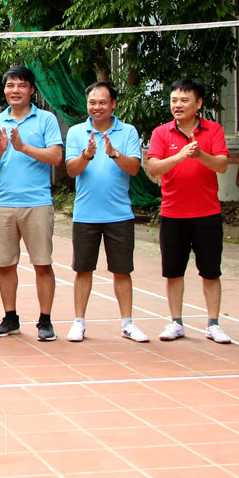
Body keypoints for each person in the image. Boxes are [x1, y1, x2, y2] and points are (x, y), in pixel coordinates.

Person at [0, 65, 64, 342]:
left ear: (31, 89)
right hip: (3, 203)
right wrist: (1, 149)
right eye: (10, 86)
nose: (15, 90)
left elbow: (56, 157)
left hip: (37, 203)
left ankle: (45, 320)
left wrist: (23, 147)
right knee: (6, 264)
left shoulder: (47, 120)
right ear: (4, 90)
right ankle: (10, 318)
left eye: (21, 85)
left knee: (42, 263)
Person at [145, 78, 232, 344]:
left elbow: (221, 165)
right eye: (174, 100)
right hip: (173, 214)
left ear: (199, 103)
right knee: (173, 271)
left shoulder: (213, 129)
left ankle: (213, 324)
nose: (178, 105)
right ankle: (176, 322)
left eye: (184, 100)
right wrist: (181, 155)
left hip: (207, 213)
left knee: (210, 271)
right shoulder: (161, 132)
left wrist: (199, 155)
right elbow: (154, 169)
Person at [63, 82, 148, 343]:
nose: (97, 107)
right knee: (83, 269)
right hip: (86, 215)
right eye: (92, 102)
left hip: (119, 214)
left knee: (122, 271)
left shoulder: (128, 131)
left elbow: (134, 169)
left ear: (113, 104)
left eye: (102, 102)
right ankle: (79, 322)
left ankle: (127, 323)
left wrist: (113, 153)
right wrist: (87, 155)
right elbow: (71, 170)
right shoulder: (78, 132)